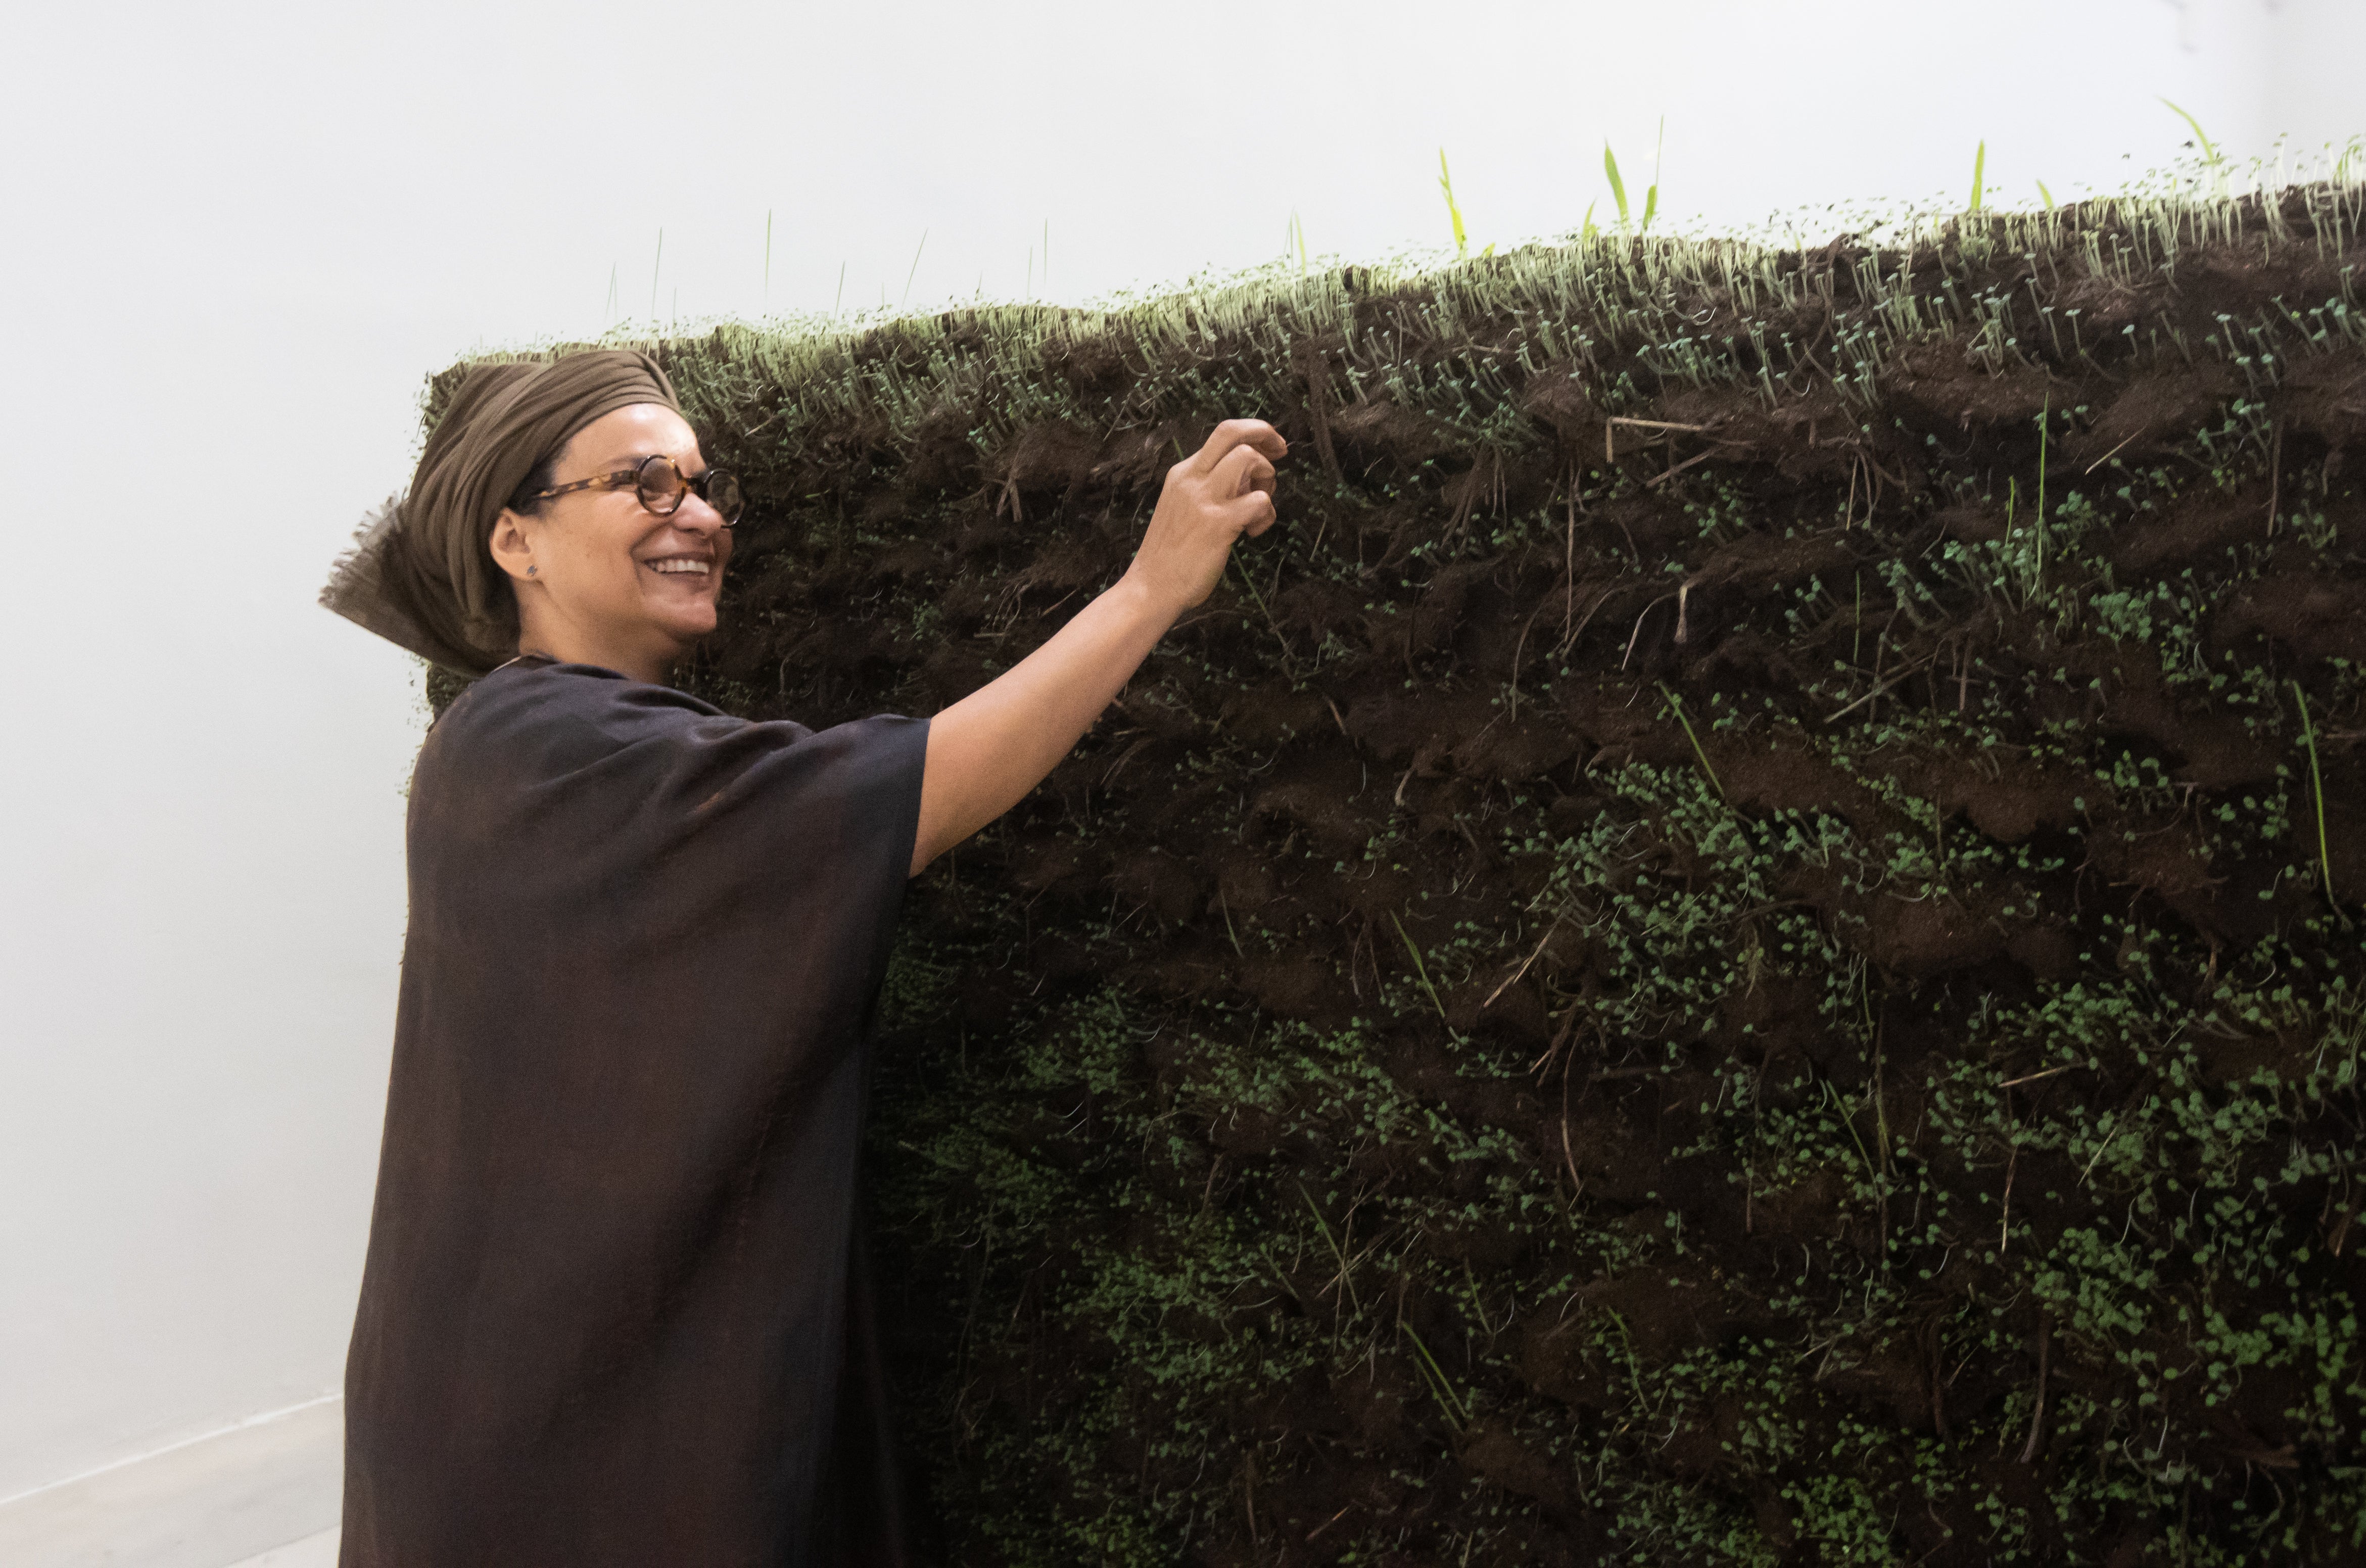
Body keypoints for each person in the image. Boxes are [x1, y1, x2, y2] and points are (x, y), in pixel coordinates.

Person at [319, 348, 1285, 1566]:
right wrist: (1150, 589)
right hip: (557, 1454)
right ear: (516, 540)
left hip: (501, 1410)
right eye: (644, 485)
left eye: (703, 483)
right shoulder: (544, 749)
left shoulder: (513, 740)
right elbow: (910, 789)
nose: (701, 517)